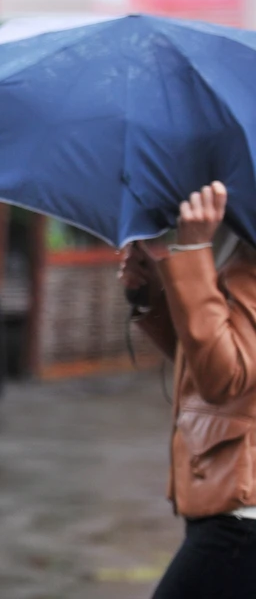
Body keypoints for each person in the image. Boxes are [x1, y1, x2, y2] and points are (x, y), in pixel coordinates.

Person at [119, 181, 256, 599]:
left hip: (243, 516)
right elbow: (203, 359)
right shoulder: (238, 230)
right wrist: (155, 296)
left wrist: (193, 251)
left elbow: (223, 378)